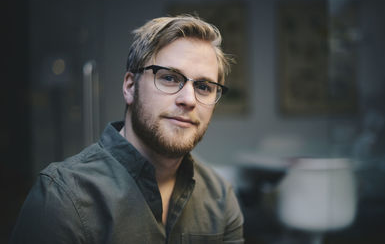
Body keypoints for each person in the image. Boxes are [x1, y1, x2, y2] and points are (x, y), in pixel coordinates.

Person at [10, 15, 244, 243]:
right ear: (130, 87)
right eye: (170, 78)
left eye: (203, 86)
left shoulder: (220, 197)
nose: (189, 100)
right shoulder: (62, 199)